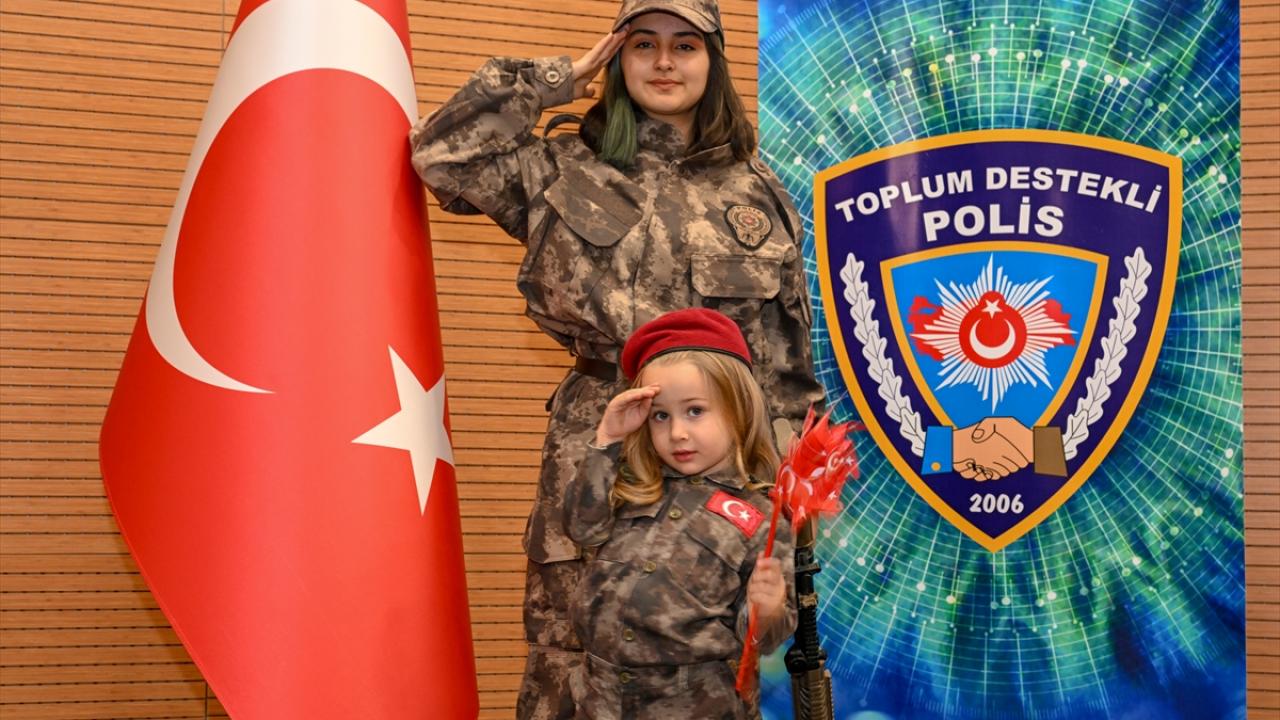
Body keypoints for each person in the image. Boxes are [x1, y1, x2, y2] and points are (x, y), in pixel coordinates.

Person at [409, 0, 824, 715]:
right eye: (643, 44)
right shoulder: (563, 167)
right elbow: (442, 154)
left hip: (717, 474)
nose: (664, 62)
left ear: (713, 62)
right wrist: (554, 79)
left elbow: (787, 371)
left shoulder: (757, 196)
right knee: (569, 654)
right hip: (596, 450)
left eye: (685, 45)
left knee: (706, 664)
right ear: (617, 57)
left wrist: (784, 510)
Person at [565, 308, 796, 719]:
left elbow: (763, 640)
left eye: (695, 411)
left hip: (692, 705)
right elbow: (582, 528)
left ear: (739, 409)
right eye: (661, 416)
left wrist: (770, 609)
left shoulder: (763, 516)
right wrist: (608, 439)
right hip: (599, 700)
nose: (677, 433)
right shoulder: (634, 483)